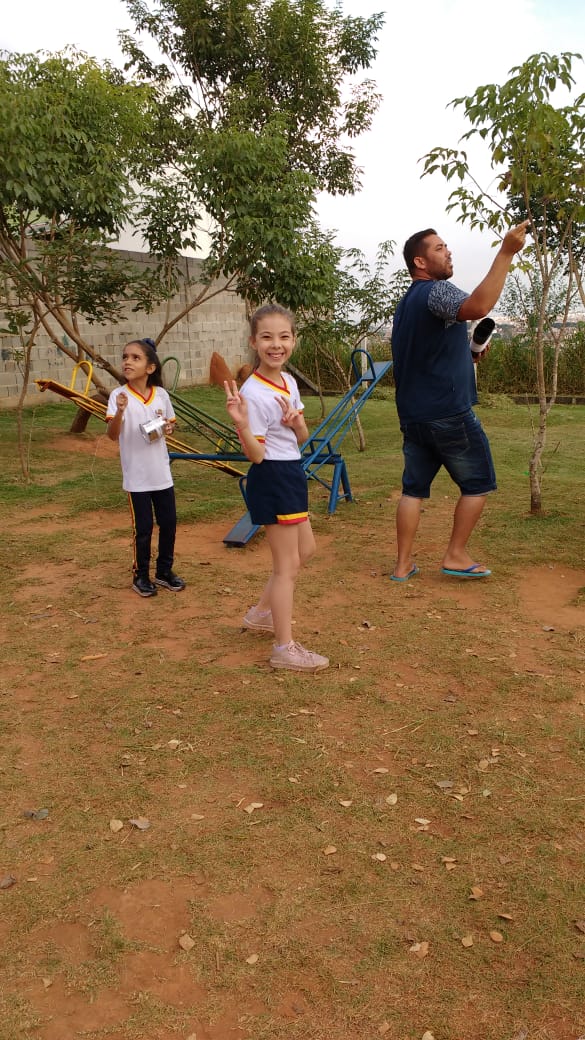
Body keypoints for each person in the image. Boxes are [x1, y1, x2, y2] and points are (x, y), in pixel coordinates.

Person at [390, 221, 529, 581]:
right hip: (448, 413)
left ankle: (403, 565)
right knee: (478, 483)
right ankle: (455, 555)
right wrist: (506, 252)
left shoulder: (406, 305)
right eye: (439, 248)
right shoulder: (436, 291)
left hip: (414, 416)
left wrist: (467, 356)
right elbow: (478, 305)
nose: (448, 251)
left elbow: (426, 356)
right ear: (420, 262)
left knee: (413, 491)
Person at [224, 304, 328, 672]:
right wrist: (241, 424)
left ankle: (261, 613)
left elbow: (300, 437)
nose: (276, 344)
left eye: (284, 336)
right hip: (271, 474)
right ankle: (284, 648)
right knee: (286, 567)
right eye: (266, 337)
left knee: (306, 550)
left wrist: (297, 423)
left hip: (290, 471)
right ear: (254, 342)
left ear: (294, 340)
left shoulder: (288, 382)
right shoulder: (252, 393)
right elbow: (255, 455)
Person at [106, 338, 186, 597]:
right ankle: (140, 575)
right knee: (143, 529)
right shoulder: (118, 396)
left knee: (169, 523)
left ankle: (164, 571)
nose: (127, 362)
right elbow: (112, 435)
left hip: (161, 473)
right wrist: (120, 412)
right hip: (137, 476)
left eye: (135, 358)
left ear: (150, 368)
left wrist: (168, 427)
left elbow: (170, 423)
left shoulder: (161, 394)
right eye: (125, 357)